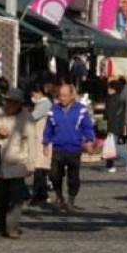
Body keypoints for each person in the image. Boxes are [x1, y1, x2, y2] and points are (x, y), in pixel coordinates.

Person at [0, 87, 47, 238]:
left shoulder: (26, 118)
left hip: (18, 162)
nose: (8, 105)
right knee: (0, 198)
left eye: (12, 103)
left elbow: (32, 142)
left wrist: (31, 163)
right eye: (7, 102)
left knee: (16, 199)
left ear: (19, 104)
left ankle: (12, 227)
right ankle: (2, 224)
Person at [41, 80, 95, 211]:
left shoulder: (81, 109)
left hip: (74, 148)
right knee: (54, 175)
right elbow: (48, 127)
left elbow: (87, 127)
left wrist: (89, 140)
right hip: (58, 147)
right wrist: (45, 142)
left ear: (72, 96)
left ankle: (71, 199)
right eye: (60, 95)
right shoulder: (53, 110)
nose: (62, 98)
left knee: (73, 177)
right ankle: (59, 197)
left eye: (65, 95)